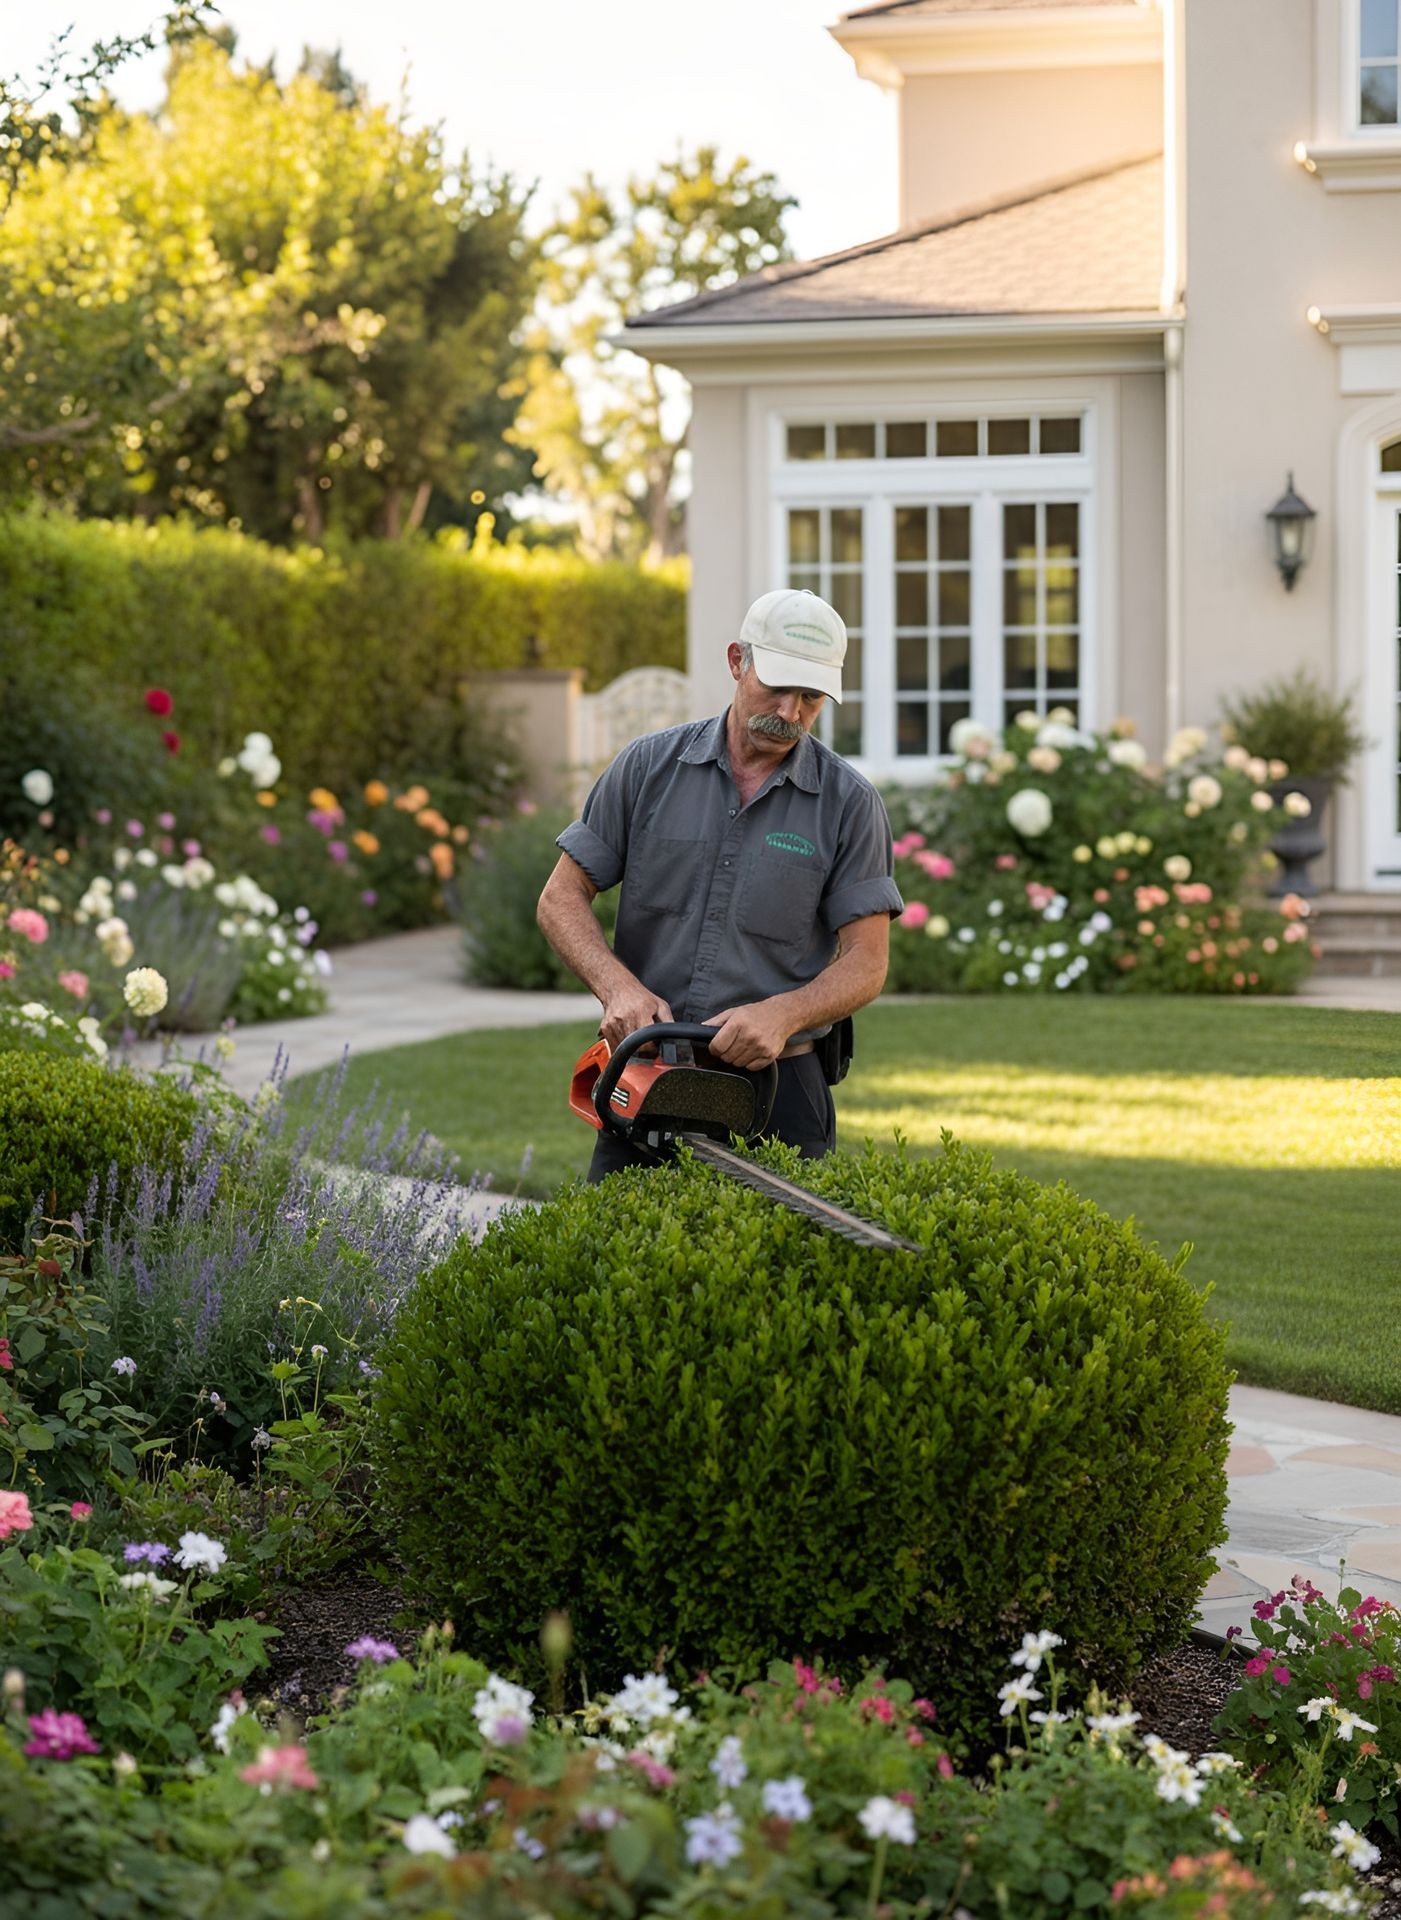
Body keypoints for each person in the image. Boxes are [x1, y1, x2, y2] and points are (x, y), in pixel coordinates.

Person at [537, 587, 904, 1181]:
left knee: (783, 1270)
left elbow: (867, 961)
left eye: (811, 697)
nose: (789, 712)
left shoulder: (849, 804)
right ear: (738, 661)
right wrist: (619, 990)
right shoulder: (646, 768)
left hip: (780, 1089)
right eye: (776, 687)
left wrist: (782, 1015)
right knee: (620, 1264)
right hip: (648, 1073)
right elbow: (560, 897)